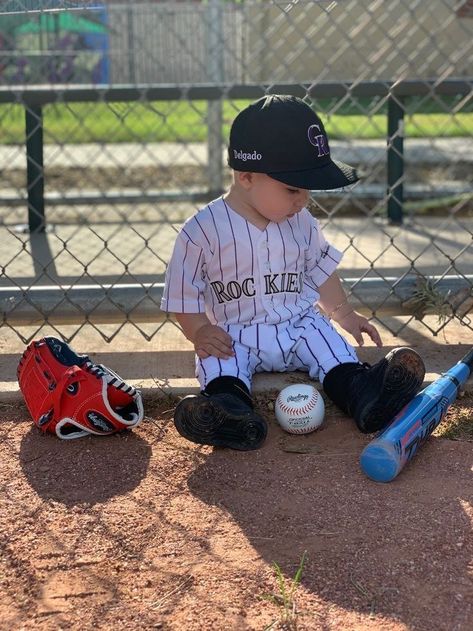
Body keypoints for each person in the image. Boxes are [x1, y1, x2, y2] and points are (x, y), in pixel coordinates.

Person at [160, 94, 425, 450]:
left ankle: (365, 396)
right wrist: (198, 330)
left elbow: (319, 269)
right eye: (292, 189)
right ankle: (228, 412)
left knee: (330, 345)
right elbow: (183, 290)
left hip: (297, 322)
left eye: (306, 189)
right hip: (234, 331)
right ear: (246, 176)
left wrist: (344, 313)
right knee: (219, 362)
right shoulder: (203, 228)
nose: (303, 200)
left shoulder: (301, 221)